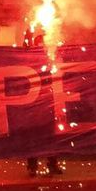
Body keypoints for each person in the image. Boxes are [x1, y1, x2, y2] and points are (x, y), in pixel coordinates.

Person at [22, 25, 62, 176]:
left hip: (49, 102)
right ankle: (32, 166)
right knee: (32, 136)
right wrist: (28, 32)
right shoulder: (30, 60)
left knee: (51, 134)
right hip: (33, 104)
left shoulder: (51, 59)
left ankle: (52, 163)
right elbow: (24, 50)